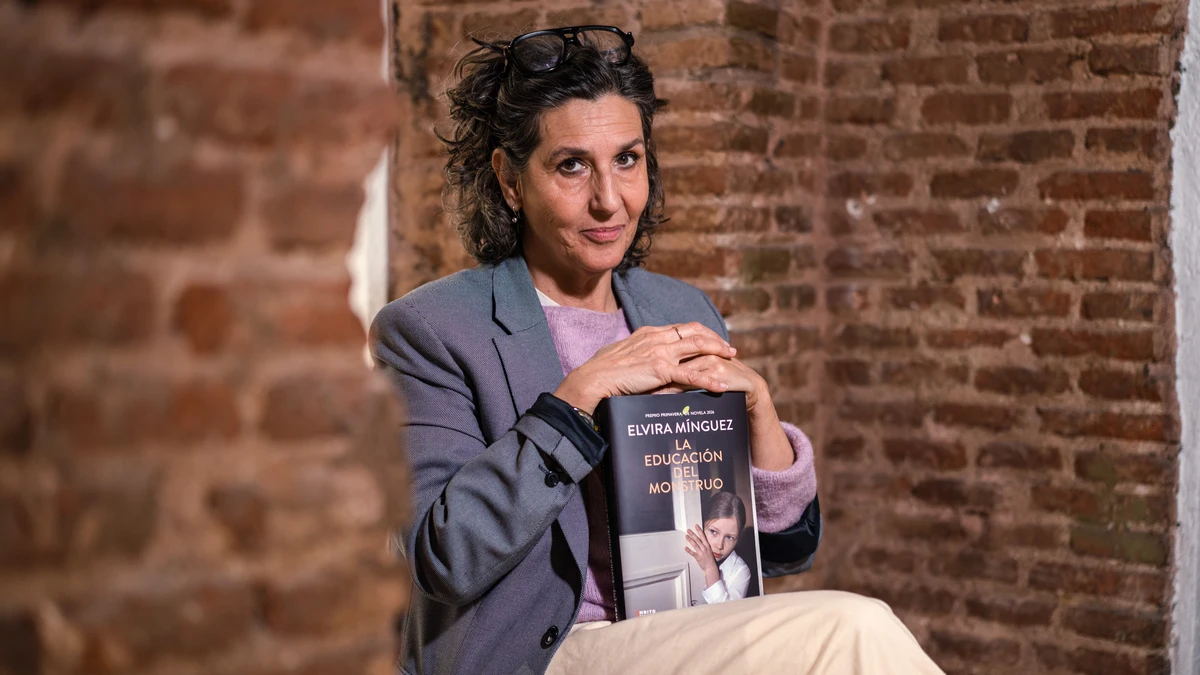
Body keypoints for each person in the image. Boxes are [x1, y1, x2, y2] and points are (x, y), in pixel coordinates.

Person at [371, 25, 944, 675]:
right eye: (571, 165)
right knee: (852, 627)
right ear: (509, 179)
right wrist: (578, 397)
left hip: (685, 626)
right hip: (544, 654)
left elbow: (785, 550)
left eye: (627, 159)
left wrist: (760, 416)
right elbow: (440, 558)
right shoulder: (433, 330)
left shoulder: (678, 308)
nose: (609, 200)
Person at [684, 491, 752, 605]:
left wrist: (710, 569)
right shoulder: (686, 554)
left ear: (738, 538)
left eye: (729, 537)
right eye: (713, 532)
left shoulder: (741, 570)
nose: (719, 545)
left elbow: (729, 612)